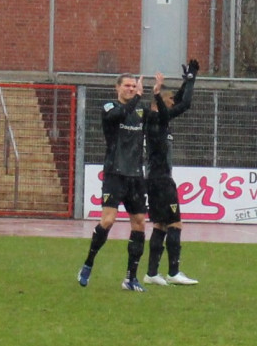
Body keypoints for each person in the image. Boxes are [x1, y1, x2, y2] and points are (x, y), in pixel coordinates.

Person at [77, 73, 165, 292]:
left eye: (134, 86)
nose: (131, 89)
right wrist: (139, 97)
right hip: (114, 173)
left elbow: (162, 118)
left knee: (139, 223)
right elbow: (121, 113)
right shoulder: (110, 107)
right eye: (127, 85)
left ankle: (130, 278)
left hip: (135, 176)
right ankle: (88, 263)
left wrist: (157, 95)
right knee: (108, 220)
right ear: (117, 88)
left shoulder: (140, 110)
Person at [141, 60, 200, 287]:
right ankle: (174, 272)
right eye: (169, 100)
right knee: (175, 224)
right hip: (161, 180)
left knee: (160, 225)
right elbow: (184, 104)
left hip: (155, 179)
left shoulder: (160, 119)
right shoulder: (154, 118)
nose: (173, 102)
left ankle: (151, 273)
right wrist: (190, 81)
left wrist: (189, 80)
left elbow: (182, 101)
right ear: (159, 103)